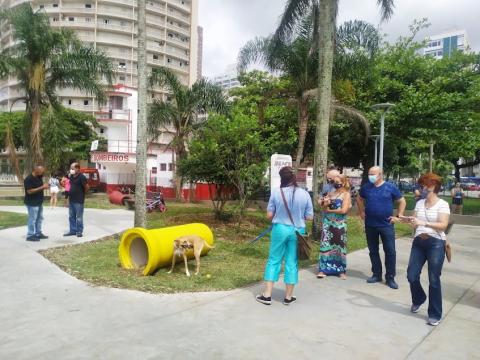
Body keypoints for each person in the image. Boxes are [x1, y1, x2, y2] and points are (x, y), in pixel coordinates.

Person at [396, 173, 450, 326]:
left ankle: (434, 313)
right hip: (419, 241)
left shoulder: (442, 204)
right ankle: (419, 298)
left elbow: (443, 225)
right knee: (411, 275)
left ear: (434, 186)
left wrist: (424, 223)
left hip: (436, 243)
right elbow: (414, 223)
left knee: (434, 279)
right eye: (421, 186)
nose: (422, 188)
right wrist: (403, 220)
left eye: (425, 185)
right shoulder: (419, 204)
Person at [256, 166, 314, 306]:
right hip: (297, 231)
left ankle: (267, 295)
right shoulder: (305, 194)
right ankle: (288, 297)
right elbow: (310, 217)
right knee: (291, 262)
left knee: (274, 260)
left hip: (280, 229)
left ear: (282, 178)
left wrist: (279, 215)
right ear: (294, 178)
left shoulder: (276, 193)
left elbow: (270, 215)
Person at [357, 166, 406, 289]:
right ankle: (376, 274)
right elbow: (359, 198)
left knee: (390, 252)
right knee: (373, 251)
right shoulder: (366, 187)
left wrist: (399, 216)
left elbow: (402, 201)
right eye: (369, 174)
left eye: (373, 174)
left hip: (386, 225)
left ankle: (390, 277)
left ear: (380, 175)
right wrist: (361, 212)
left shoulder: (390, 187)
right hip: (370, 225)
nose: (370, 176)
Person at [317, 174, 352, 279]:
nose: (335, 184)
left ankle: (341, 270)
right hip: (327, 224)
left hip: (340, 224)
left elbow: (344, 210)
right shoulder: (330, 193)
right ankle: (323, 270)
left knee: (339, 246)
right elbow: (323, 208)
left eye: (337, 182)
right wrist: (325, 203)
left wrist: (329, 210)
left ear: (343, 182)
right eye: (333, 182)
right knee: (325, 246)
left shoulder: (346, 195)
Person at [24, 165, 49, 241]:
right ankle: (30, 235)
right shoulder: (28, 179)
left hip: (39, 202)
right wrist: (42, 187)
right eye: (41, 171)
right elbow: (29, 191)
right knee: (32, 219)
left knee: (39, 218)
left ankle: (38, 233)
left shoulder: (39, 177)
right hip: (32, 203)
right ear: (36, 170)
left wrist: (46, 186)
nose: (42, 173)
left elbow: (40, 187)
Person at [64, 163, 89, 237]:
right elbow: (68, 187)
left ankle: (79, 231)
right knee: (71, 216)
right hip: (71, 200)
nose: (71, 170)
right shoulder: (71, 176)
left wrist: (82, 194)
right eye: (70, 168)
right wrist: (67, 199)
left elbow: (87, 187)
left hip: (79, 201)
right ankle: (72, 230)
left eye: (72, 168)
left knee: (79, 217)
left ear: (77, 168)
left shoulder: (82, 177)